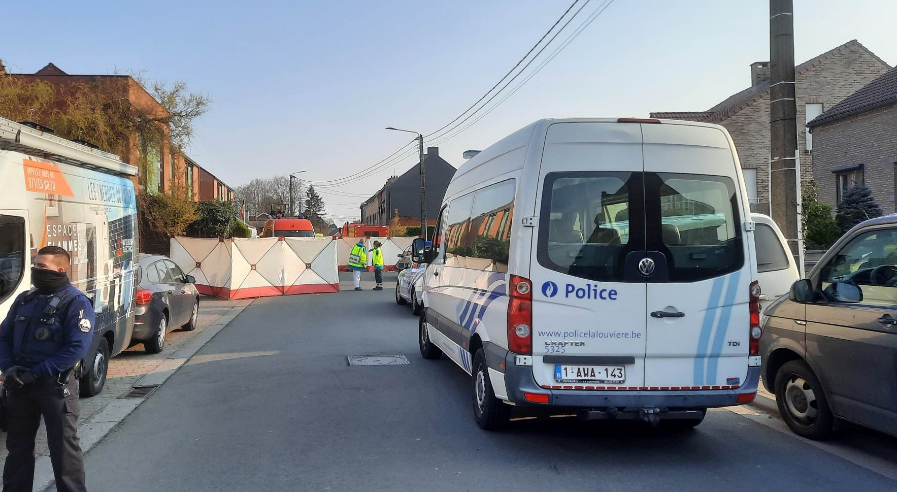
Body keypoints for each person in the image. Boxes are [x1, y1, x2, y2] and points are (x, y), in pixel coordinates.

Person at [0, 246, 93, 492]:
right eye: (34, 265)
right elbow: (3, 337)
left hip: (55, 387)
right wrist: (9, 368)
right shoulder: (25, 300)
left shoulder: (76, 302)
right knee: (17, 449)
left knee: (63, 450)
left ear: (60, 270)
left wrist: (37, 372)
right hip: (19, 385)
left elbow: (76, 348)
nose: (35, 270)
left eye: (42, 266)